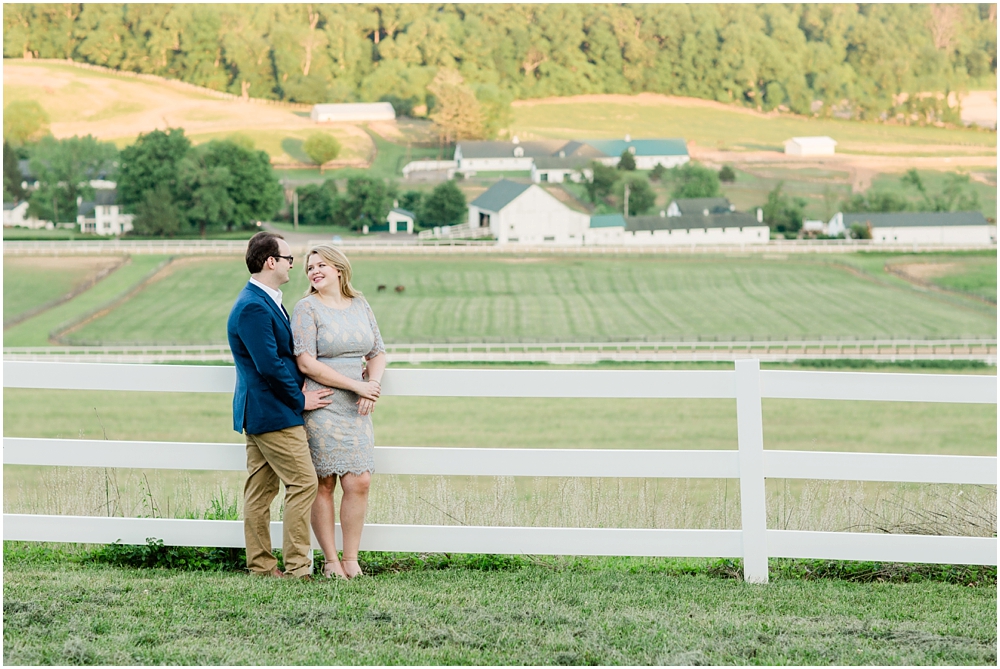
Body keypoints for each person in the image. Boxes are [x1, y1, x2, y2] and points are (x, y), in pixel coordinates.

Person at [228, 231, 332, 579]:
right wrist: (300, 399)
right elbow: (270, 365)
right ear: (271, 262)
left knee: (260, 491)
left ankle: (261, 566)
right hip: (272, 412)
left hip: (261, 411)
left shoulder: (264, 300)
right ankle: (298, 567)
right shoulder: (254, 306)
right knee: (304, 483)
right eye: (288, 259)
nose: (292, 264)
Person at [291, 244, 386, 580]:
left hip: (358, 406)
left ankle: (351, 559)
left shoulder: (360, 304)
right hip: (324, 402)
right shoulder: (306, 309)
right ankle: (331, 561)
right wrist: (356, 386)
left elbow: (378, 352)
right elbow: (306, 362)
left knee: (360, 480)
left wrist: (371, 386)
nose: (314, 271)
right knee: (324, 482)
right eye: (309, 268)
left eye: (321, 265)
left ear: (339, 269)